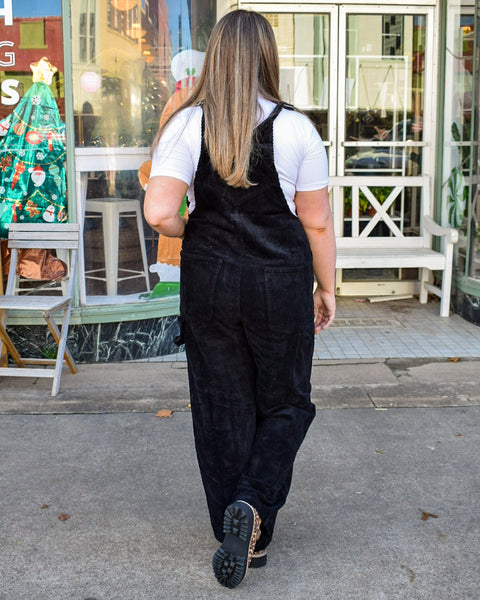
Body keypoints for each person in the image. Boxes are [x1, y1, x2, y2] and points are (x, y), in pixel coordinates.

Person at [144, 9, 336, 589]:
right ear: (266, 58)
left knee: (222, 405)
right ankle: (252, 509)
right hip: (279, 284)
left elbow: (158, 212)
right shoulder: (298, 128)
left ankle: (238, 535)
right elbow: (319, 224)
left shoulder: (185, 124)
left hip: (210, 285)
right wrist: (327, 288)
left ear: (216, 56)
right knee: (286, 403)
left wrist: (190, 230)